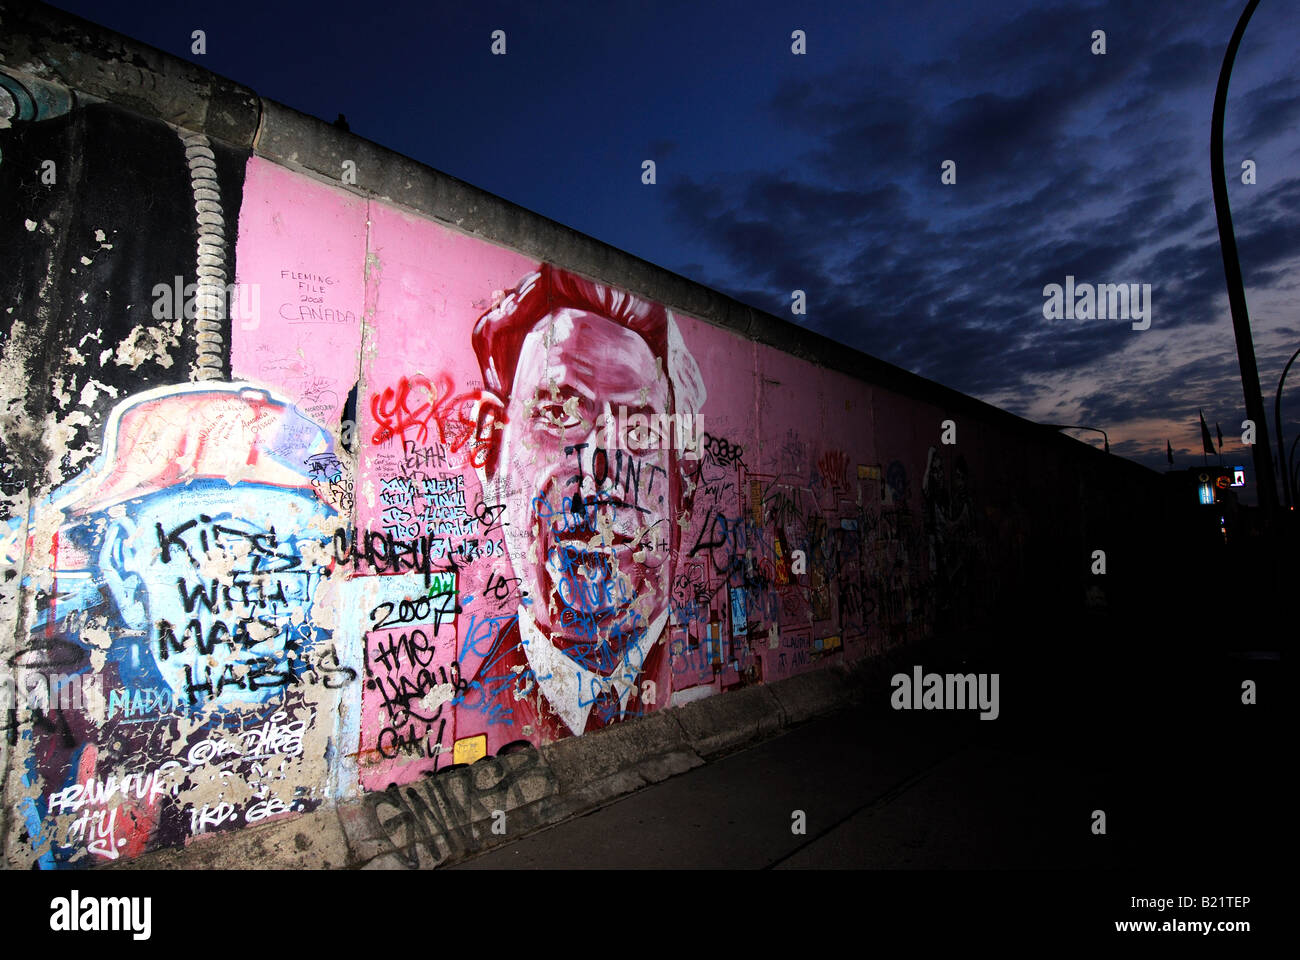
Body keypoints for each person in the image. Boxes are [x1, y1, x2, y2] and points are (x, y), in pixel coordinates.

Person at [468, 264, 706, 742]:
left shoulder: (704, 676)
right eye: (558, 412)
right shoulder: (463, 723)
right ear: (491, 448)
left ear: (686, 477)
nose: (602, 471)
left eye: (640, 431)